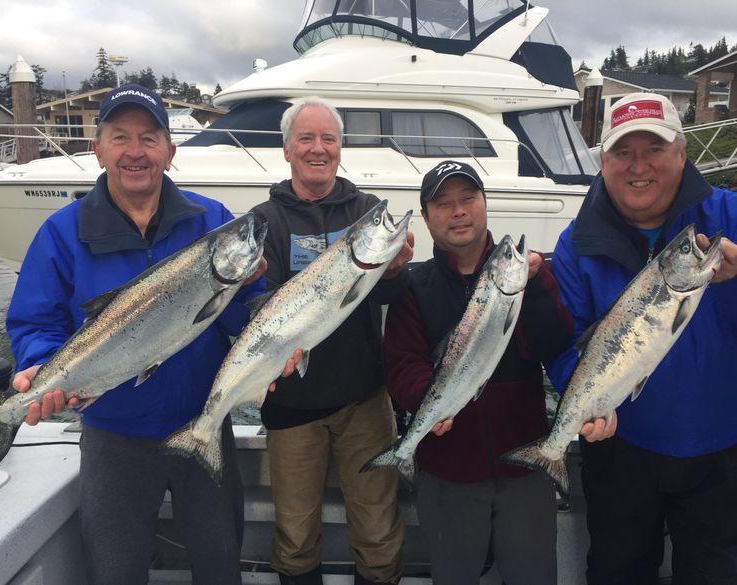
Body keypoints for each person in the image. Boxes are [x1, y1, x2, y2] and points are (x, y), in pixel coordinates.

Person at [6, 84, 275, 585]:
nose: (135, 152)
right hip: (114, 437)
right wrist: (43, 366)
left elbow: (241, 319)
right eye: (120, 136)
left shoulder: (212, 221)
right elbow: (37, 323)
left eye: (149, 138)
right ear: (98, 148)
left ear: (170, 153)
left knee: (221, 567)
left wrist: (253, 291)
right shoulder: (62, 233)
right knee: (115, 571)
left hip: (202, 426)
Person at [545, 92, 737, 584]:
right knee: (617, 573)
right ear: (603, 161)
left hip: (722, 446)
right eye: (623, 153)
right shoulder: (575, 244)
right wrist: (588, 405)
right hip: (621, 448)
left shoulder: (729, 216)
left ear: (682, 153)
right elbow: (563, 347)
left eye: (654, 148)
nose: (638, 167)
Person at [383, 160, 573, 585]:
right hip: (447, 468)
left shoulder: (532, 277)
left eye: (468, 199)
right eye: (444, 204)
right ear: (426, 217)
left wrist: (538, 291)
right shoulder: (414, 287)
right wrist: (427, 401)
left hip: (524, 462)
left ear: (485, 205)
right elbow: (401, 365)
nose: (458, 211)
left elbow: (555, 343)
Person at [249, 96, 413, 585]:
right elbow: (260, 307)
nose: (318, 148)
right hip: (290, 405)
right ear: (286, 150)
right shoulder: (264, 220)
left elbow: (394, 296)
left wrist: (394, 271)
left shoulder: (368, 212)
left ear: (341, 149)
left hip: (364, 399)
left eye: (329, 139)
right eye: (306, 138)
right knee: (295, 538)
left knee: (379, 533)